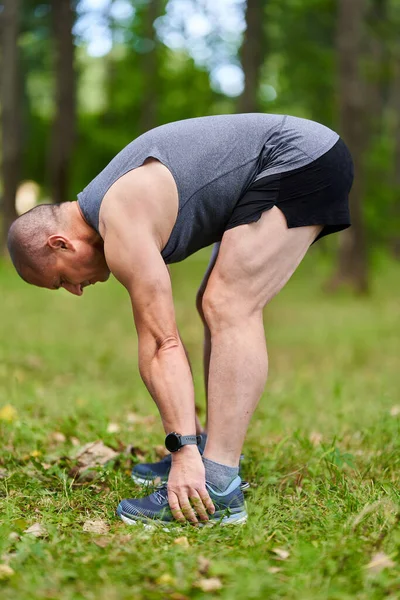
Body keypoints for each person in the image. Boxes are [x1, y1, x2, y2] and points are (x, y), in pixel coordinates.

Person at [7, 113, 353, 526]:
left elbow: (161, 344)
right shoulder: (108, 206)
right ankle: (214, 451)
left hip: (299, 158)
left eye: (63, 280)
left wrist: (181, 453)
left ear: (60, 243)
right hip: (288, 157)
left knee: (228, 304)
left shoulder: (117, 217)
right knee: (215, 303)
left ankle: (218, 485)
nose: (76, 291)